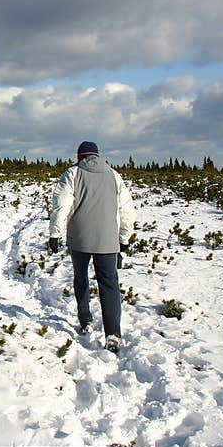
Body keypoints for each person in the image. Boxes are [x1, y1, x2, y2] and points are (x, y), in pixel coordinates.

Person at [48, 141, 136, 353]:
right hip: (107, 239)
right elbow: (127, 209)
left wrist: (55, 233)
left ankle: (85, 319)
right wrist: (124, 238)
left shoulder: (72, 173)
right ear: (97, 155)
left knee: (81, 277)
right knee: (110, 284)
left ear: (79, 156)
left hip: (79, 239)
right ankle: (113, 333)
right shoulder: (115, 175)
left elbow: (62, 205)